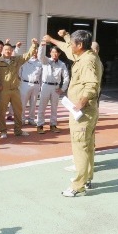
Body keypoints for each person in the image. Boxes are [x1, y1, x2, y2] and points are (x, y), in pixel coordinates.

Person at [43, 30, 102, 197]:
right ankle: (87, 178)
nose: (70, 47)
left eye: (73, 44)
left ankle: (78, 185)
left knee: (80, 147)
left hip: (83, 112)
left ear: (80, 45)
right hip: (86, 111)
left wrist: (80, 103)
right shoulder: (85, 55)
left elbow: (91, 84)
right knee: (88, 146)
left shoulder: (86, 61)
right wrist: (58, 39)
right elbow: (68, 48)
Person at [0, 39, 38, 138]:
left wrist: (33, 45)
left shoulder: (16, 59)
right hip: (3, 90)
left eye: (10, 49)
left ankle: (18, 130)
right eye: (6, 49)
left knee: (18, 111)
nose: (8, 51)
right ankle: (3, 131)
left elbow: (28, 55)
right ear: (2, 51)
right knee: (2, 111)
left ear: (12, 50)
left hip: (15, 90)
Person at [36, 43, 69, 134]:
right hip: (46, 86)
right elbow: (40, 55)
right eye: (53, 52)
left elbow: (66, 77)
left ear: (59, 54)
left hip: (56, 87)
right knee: (42, 107)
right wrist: (42, 46)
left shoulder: (62, 64)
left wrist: (63, 89)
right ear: (50, 53)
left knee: (54, 107)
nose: (54, 54)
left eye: (56, 52)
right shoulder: (45, 60)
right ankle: (40, 125)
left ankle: (53, 125)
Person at [19, 44, 42, 126]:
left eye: (36, 50)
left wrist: (41, 87)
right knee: (23, 103)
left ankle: (31, 119)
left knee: (34, 103)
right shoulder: (25, 61)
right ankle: (21, 119)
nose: (35, 52)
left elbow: (41, 76)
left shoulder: (40, 62)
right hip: (25, 83)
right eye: (34, 50)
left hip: (36, 85)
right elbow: (19, 72)